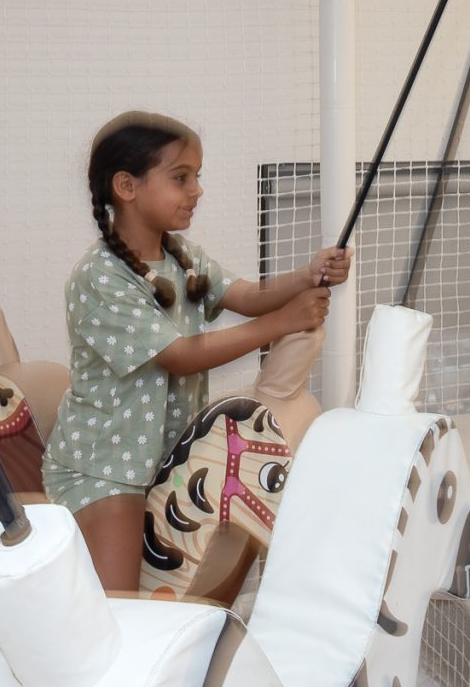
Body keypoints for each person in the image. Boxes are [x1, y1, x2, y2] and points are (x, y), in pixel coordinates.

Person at [43, 111, 346, 590]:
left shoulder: (182, 256)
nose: (197, 190)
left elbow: (246, 295)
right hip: (107, 467)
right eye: (181, 178)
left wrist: (306, 276)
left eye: (197, 177)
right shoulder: (99, 277)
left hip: (167, 458)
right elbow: (180, 354)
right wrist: (281, 323)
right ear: (126, 186)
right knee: (121, 603)